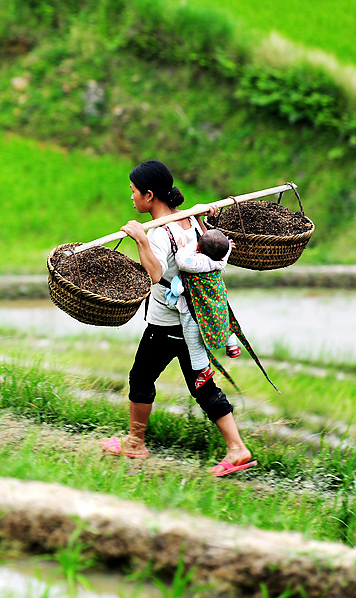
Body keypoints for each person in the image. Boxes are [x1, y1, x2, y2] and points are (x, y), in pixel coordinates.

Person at [100, 160, 256, 477]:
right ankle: (236, 449)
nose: (131, 197)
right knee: (202, 385)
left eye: (133, 192)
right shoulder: (191, 222)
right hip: (194, 321)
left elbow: (156, 274)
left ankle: (135, 442)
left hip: (168, 324)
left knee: (141, 379)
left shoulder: (158, 233)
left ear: (149, 194)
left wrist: (140, 239)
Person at [170, 229, 239, 392]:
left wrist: (183, 248)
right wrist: (228, 246)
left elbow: (181, 261)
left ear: (199, 249)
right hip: (217, 298)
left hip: (199, 303)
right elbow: (225, 249)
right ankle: (232, 345)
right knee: (222, 317)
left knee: (192, 335)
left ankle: (203, 369)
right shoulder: (221, 260)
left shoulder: (199, 262)